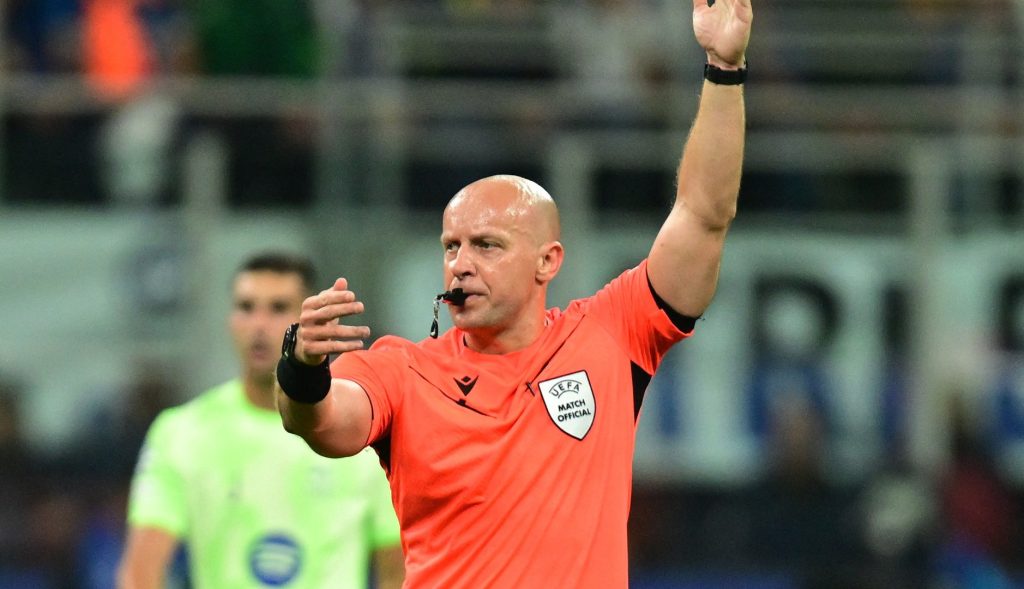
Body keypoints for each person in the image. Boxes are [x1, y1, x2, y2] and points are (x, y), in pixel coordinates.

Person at [275, 0, 751, 586]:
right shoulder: (401, 371)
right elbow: (322, 424)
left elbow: (702, 215)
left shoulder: (611, 335)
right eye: (451, 247)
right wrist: (302, 368)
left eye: (487, 245)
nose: (461, 265)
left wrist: (724, 70)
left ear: (547, 261)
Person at [117, 252, 404, 589]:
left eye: (278, 308)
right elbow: (139, 575)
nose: (259, 325)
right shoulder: (181, 433)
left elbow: (398, 571)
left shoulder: (359, 435)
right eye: (246, 307)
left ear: (310, 322)